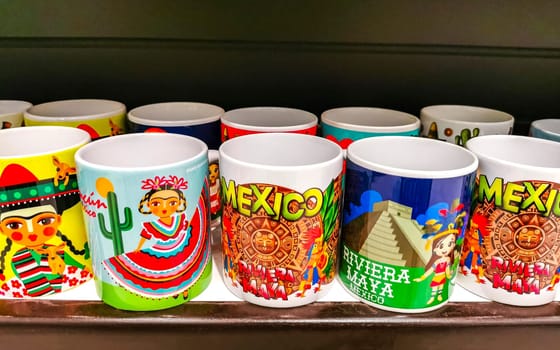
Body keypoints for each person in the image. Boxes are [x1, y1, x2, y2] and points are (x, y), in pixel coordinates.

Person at [102, 175, 209, 299]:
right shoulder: (153, 224)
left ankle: (185, 289)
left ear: (179, 203)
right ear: (149, 205)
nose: (164, 208)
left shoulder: (179, 218)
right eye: (157, 203)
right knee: (165, 272)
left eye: (172, 202)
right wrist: (139, 247)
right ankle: (173, 290)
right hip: (160, 251)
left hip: (182, 246)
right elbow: (145, 235)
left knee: (186, 268)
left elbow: (186, 227)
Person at [0, 163, 91, 298]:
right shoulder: (17, 259)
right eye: (14, 225)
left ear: (58, 221)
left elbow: (79, 266)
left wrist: (86, 269)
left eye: (44, 221)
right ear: (2, 229)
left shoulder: (58, 251)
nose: (31, 232)